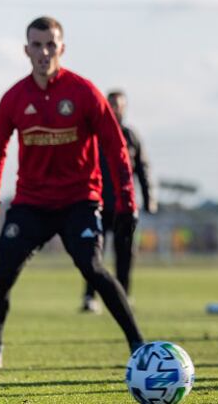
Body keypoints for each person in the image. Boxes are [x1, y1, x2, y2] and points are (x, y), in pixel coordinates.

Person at [0, 16, 144, 368]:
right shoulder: (13, 98)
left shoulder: (84, 93)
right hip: (31, 204)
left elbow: (115, 147)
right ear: (26, 50)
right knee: (4, 272)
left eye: (50, 44)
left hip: (79, 202)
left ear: (62, 48)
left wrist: (128, 202)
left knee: (94, 268)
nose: (44, 52)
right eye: (36, 45)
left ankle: (139, 346)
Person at [81, 90, 156, 313]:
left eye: (119, 105)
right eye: (111, 104)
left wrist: (149, 197)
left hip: (124, 206)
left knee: (125, 254)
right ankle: (89, 297)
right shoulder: (93, 134)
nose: (114, 108)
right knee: (93, 254)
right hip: (97, 204)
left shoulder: (131, 136)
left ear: (124, 108)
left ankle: (123, 296)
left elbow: (142, 168)